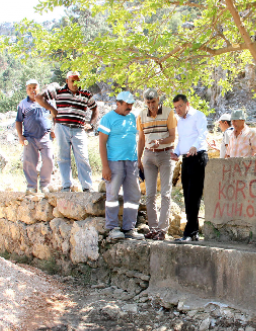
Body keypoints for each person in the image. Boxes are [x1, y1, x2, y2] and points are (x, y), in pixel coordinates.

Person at [36, 71, 98, 192]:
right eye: (72, 81)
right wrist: (52, 109)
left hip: (79, 128)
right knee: (63, 157)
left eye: (77, 81)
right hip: (62, 127)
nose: (75, 83)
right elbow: (39, 97)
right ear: (67, 81)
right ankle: (66, 186)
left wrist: (91, 124)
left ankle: (87, 186)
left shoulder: (85, 93)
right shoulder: (58, 91)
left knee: (83, 157)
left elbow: (95, 108)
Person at [97, 91, 145, 240]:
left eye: (131, 104)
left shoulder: (132, 118)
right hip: (114, 162)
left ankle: (129, 228)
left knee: (133, 195)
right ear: (118, 103)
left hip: (131, 162)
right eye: (127, 105)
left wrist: (139, 160)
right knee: (112, 194)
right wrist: (105, 166)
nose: (129, 107)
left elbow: (137, 138)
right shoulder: (108, 119)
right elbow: (102, 143)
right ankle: (112, 228)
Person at [137, 88, 177, 240]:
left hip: (166, 154)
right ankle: (153, 228)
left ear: (158, 100)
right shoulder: (141, 115)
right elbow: (141, 139)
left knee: (165, 193)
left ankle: (162, 229)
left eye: (153, 102)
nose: (151, 105)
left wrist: (160, 142)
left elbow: (173, 136)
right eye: (148, 103)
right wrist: (138, 158)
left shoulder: (168, 113)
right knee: (150, 194)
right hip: (148, 156)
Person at [170, 94, 208, 243]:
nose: (177, 109)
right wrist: (176, 152)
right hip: (186, 159)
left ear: (187, 104)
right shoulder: (179, 121)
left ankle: (190, 232)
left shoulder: (199, 116)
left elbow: (202, 134)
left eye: (180, 106)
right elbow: (181, 140)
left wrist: (194, 147)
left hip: (198, 156)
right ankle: (192, 232)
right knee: (187, 195)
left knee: (194, 195)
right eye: (175, 107)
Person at [15, 79, 56, 194]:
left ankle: (45, 185)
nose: (32, 90)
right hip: (29, 138)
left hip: (45, 136)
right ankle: (32, 186)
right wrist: (20, 136)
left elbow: (53, 116)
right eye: (30, 88)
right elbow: (18, 121)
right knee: (29, 162)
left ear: (39, 88)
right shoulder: (23, 104)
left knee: (48, 159)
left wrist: (54, 129)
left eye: (35, 87)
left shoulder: (46, 101)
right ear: (26, 90)